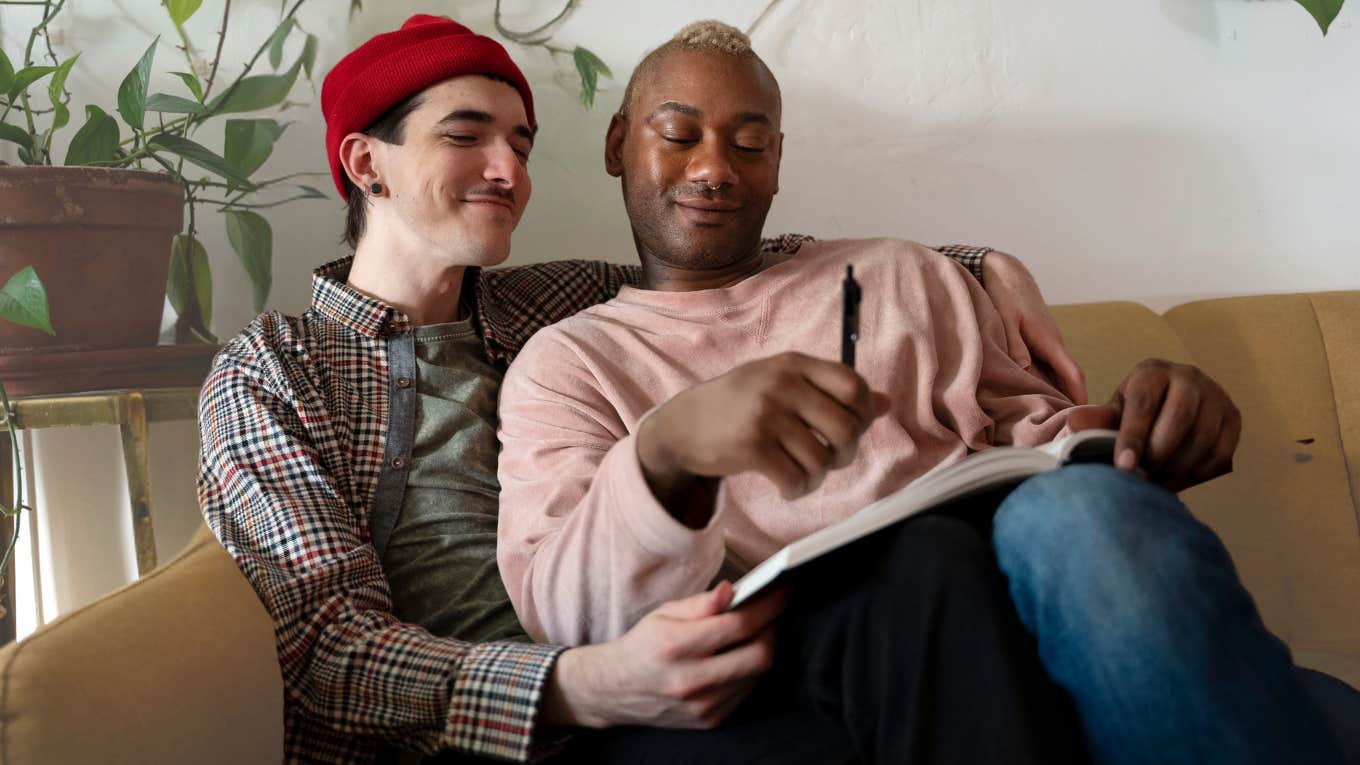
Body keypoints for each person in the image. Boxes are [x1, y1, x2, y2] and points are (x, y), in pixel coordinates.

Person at [195, 14, 1079, 765]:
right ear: (365, 163)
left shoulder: (549, 302)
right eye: (466, 136)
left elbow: (732, 247)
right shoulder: (276, 366)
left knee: (930, 575)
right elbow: (328, 657)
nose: (509, 169)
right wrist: (585, 685)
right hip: (516, 730)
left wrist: (978, 263)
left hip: (678, 674)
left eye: (521, 142)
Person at [495, 20, 1347, 765]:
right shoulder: (567, 361)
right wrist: (667, 452)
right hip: (817, 648)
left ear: (779, 162)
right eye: (678, 134)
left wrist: (1146, 427)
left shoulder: (906, 274)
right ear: (616, 146)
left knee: (1082, 511)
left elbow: (1040, 441)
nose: (715, 167)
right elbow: (570, 612)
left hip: (1015, 582)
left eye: (750, 144)